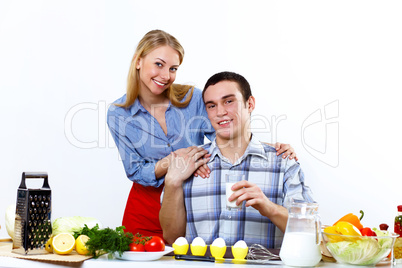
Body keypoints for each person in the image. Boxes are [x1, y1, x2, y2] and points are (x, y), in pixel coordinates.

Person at [107, 30, 298, 238]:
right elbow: (135, 170)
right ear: (138, 61)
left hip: (188, 199)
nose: (165, 76)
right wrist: (176, 160)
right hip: (145, 206)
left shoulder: (191, 98)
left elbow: (226, 130)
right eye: (159, 64)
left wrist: (271, 148)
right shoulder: (118, 114)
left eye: (173, 68)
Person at [160, 71, 314, 248]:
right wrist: (172, 182)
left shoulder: (283, 162)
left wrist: (269, 208)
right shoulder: (188, 163)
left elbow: (309, 231)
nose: (220, 112)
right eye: (211, 106)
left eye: (228, 101)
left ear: (250, 104)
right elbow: (172, 238)